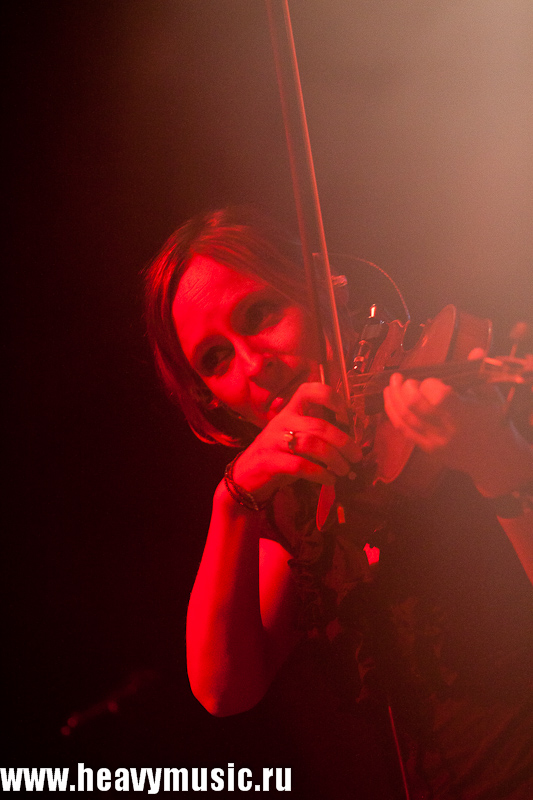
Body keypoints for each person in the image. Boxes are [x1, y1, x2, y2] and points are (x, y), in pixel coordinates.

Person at [145, 206, 533, 799]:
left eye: (261, 314)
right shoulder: (304, 496)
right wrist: (232, 502)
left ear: (326, 288)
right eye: (216, 359)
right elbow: (224, 689)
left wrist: (495, 459)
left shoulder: (462, 386)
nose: (254, 366)